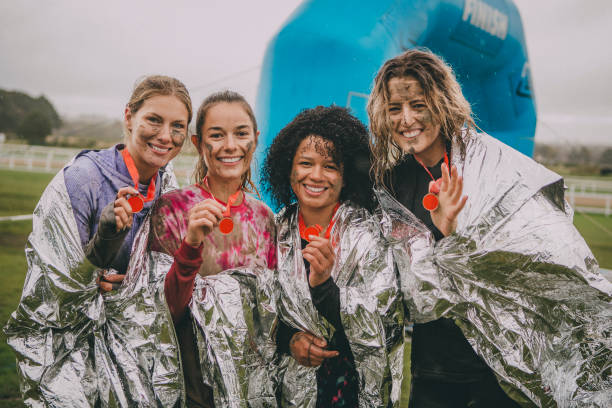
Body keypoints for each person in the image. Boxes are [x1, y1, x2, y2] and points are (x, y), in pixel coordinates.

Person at [367, 48, 611, 407]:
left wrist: (452, 234)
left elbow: (531, 258)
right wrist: (446, 233)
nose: (406, 119)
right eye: (394, 108)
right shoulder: (389, 185)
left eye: (418, 105)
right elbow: (406, 285)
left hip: (502, 366)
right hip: (434, 367)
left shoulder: (491, 167)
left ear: (441, 102)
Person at [5, 75, 192, 406]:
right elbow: (52, 288)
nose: (166, 135)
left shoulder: (167, 186)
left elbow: (164, 276)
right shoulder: (82, 180)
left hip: (137, 356)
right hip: (71, 353)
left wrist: (134, 286)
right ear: (129, 117)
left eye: (177, 126)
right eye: (154, 120)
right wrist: (103, 246)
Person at [262, 106, 404, 407]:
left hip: (349, 391)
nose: (315, 175)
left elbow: (383, 326)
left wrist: (324, 284)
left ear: (346, 176)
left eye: (330, 166)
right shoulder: (275, 230)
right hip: (290, 392)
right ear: (289, 169)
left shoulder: (367, 235)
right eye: (305, 163)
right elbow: (261, 314)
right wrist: (290, 340)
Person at [148, 90, 277, 407]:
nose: (230, 146)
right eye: (216, 135)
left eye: (241, 134)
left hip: (252, 388)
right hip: (191, 387)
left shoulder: (265, 218)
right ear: (198, 143)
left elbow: (274, 311)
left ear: (255, 140)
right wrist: (191, 244)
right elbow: (163, 313)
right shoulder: (172, 210)